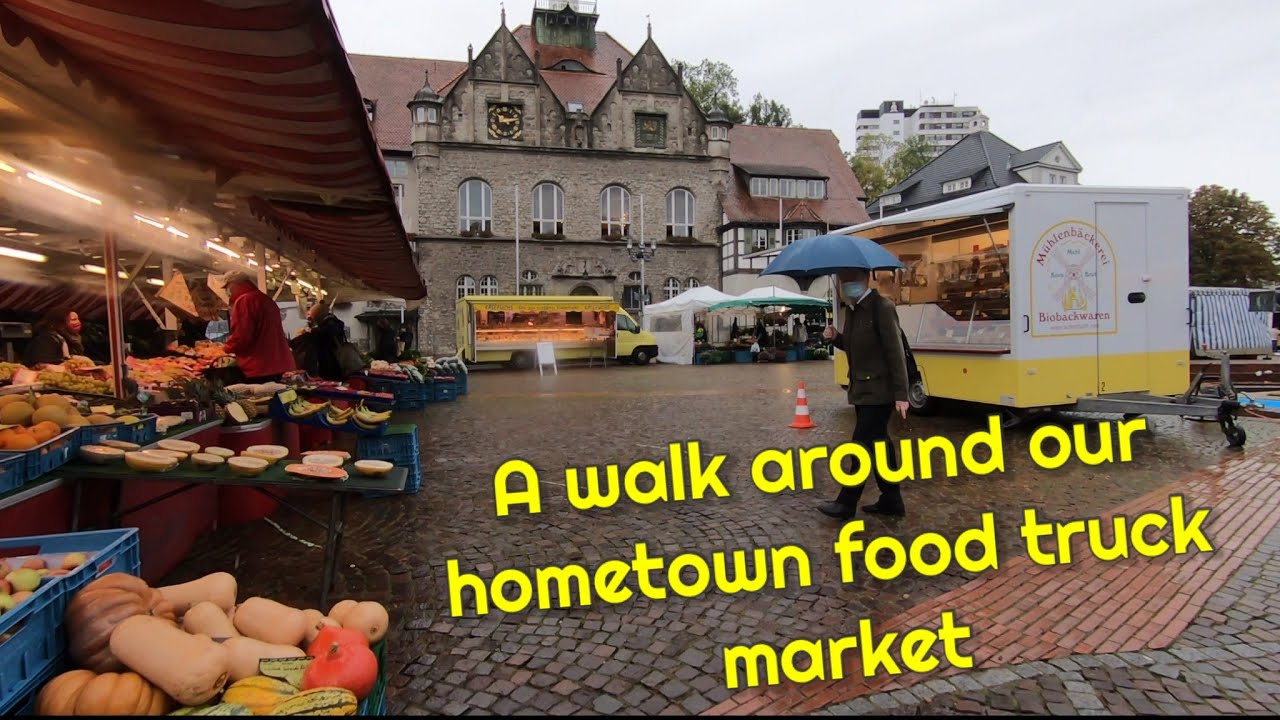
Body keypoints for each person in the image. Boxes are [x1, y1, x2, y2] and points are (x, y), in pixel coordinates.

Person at [819, 268, 911, 520]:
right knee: (881, 447)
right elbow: (852, 345)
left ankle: (846, 502)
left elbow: (895, 351)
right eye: (843, 281)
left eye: (850, 280)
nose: (846, 285)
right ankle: (892, 500)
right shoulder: (853, 310)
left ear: (863, 280)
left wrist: (902, 394)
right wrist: (836, 337)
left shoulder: (881, 307)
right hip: (861, 390)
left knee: (860, 446)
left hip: (880, 392)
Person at [221, 271, 295, 383]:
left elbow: (242, 336)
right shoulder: (266, 299)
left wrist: (225, 348)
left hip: (260, 368)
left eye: (227, 287)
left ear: (235, 284)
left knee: (262, 399)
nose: (227, 292)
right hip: (281, 364)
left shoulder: (245, 300)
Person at [305, 301, 348, 381]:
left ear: (318, 315)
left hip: (331, 365)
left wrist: (313, 330)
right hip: (336, 364)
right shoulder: (334, 323)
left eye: (313, 317)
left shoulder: (326, 327)